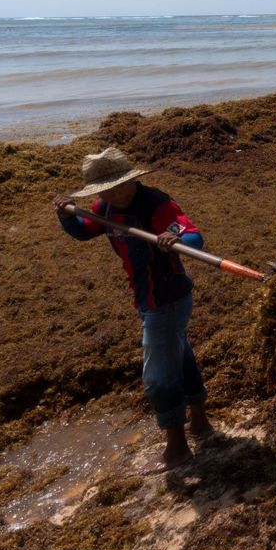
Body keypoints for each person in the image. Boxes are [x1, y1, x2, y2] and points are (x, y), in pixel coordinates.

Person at [53, 147, 212, 472]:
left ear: (132, 179)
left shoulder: (156, 204)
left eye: (122, 185)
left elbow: (194, 237)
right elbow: (84, 230)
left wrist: (171, 237)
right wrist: (66, 215)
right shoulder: (106, 206)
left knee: (157, 378)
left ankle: (177, 450)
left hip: (166, 300)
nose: (118, 193)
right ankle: (200, 424)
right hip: (148, 298)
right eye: (108, 189)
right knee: (180, 357)